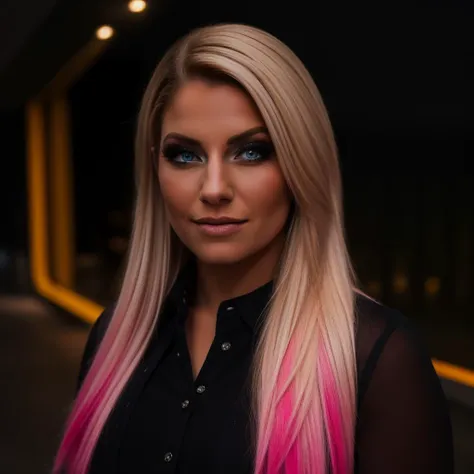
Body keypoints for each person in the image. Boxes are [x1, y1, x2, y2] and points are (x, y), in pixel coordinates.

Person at [53, 23, 453, 474]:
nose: (214, 188)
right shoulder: (115, 339)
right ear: (155, 166)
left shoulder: (377, 360)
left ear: (300, 163)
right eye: (185, 155)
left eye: (251, 152)